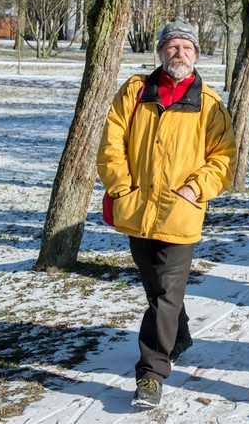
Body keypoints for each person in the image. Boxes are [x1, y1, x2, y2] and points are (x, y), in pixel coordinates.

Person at [97, 22, 237, 410]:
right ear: (160, 52)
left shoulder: (208, 103)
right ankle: (179, 333)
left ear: (196, 53)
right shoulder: (135, 91)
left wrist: (196, 188)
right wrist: (122, 186)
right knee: (156, 287)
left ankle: (151, 373)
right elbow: (111, 143)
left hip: (181, 214)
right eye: (172, 46)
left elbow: (223, 159)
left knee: (165, 293)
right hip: (137, 209)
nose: (179, 53)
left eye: (186, 47)